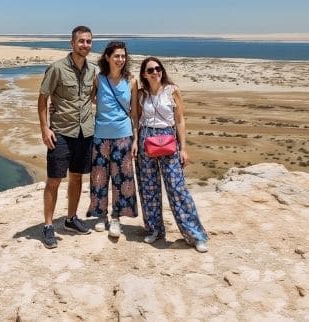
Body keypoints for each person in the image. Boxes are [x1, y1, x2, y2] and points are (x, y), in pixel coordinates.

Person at [133, 57, 209, 253]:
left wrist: (183, 148)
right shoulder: (141, 94)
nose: (155, 72)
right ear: (144, 74)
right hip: (146, 138)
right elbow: (136, 119)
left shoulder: (172, 91)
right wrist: (135, 141)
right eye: (150, 70)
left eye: (158, 68)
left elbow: (180, 120)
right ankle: (154, 230)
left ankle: (195, 234)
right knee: (149, 188)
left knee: (177, 188)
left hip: (168, 138)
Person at [38, 25, 97, 249]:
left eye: (88, 41)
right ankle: (48, 226)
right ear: (72, 43)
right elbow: (43, 100)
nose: (85, 45)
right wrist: (45, 128)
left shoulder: (92, 71)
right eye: (81, 41)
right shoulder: (57, 68)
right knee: (54, 180)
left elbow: (90, 98)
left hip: (85, 132)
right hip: (61, 132)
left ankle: (71, 219)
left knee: (77, 177)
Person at [86, 41, 138, 238]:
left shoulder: (131, 81)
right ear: (107, 57)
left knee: (122, 178)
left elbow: (135, 114)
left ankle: (116, 218)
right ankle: (101, 215)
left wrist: (135, 140)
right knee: (99, 177)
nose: (121, 60)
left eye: (123, 56)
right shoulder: (98, 79)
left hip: (123, 136)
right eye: (116, 56)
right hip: (100, 136)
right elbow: (87, 100)